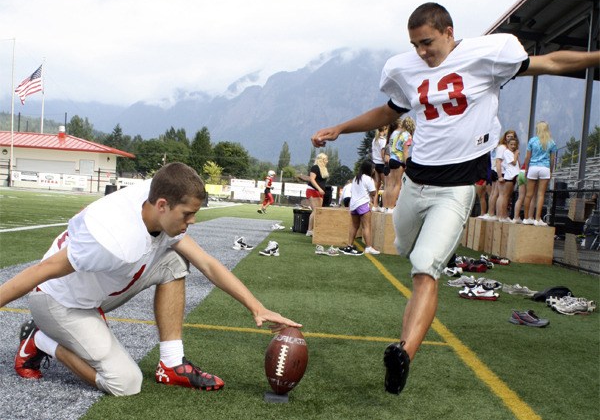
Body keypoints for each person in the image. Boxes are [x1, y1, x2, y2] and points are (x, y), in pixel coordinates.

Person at [311, 2, 599, 395]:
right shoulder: (405, 69)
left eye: (427, 42)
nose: (421, 52)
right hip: (416, 182)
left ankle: (403, 354)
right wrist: (339, 128)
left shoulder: (487, 55)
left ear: (448, 31)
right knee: (408, 252)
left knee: (425, 269)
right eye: (414, 45)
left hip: (458, 186)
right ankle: (403, 349)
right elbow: (387, 110)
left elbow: (549, 61)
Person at [0, 162, 300, 396]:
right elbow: (39, 273)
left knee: (174, 260)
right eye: (187, 214)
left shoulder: (158, 197)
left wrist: (256, 307)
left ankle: (172, 362)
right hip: (56, 302)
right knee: (125, 383)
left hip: (96, 291)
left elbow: (207, 263)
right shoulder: (113, 239)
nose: (191, 221)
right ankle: (40, 339)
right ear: (162, 205)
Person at [341, 159, 380, 256]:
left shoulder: (355, 178)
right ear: (369, 169)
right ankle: (368, 247)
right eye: (373, 168)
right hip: (363, 204)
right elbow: (374, 193)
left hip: (353, 205)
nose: (374, 170)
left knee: (354, 226)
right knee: (366, 226)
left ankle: (349, 244)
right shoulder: (369, 179)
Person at [522, 121, 558, 226]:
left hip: (533, 167)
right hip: (544, 168)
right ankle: (538, 219)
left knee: (529, 194)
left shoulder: (532, 140)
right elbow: (552, 159)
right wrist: (551, 171)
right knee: (541, 194)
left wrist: (526, 169)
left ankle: (526, 218)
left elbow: (527, 157)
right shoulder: (551, 142)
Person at [478, 130, 517, 220]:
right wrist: (500, 175)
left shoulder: (497, 147)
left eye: (512, 136)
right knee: (499, 194)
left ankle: (493, 213)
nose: (510, 138)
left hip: (495, 170)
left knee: (495, 193)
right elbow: (499, 161)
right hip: (499, 171)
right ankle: (495, 214)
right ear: (504, 137)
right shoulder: (503, 147)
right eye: (508, 136)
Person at [382, 116, 415, 213]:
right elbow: (405, 152)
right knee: (397, 184)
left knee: (388, 185)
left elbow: (390, 146)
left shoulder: (394, 133)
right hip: (399, 161)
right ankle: (392, 207)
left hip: (391, 160)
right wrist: (407, 164)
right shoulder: (408, 136)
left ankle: (386, 207)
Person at [305, 152, 329, 237]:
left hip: (320, 191)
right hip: (313, 190)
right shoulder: (315, 167)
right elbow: (312, 179)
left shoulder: (324, 169)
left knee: (318, 211)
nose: (327, 161)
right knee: (315, 210)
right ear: (321, 160)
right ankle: (309, 230)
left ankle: (315, 229)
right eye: (326, 159)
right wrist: (319, 189)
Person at [497, 137, 520, 222]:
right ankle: (503, 216)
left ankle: (504, 215)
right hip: (509, 176)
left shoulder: (511, 152)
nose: (513, 146)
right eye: (511, 144)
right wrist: (516, 154)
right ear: (507, 145)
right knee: (505, 196)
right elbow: (513, 163)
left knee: (508, 196)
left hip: (513, 176)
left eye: (515, 145)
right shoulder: (507, 152)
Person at [371, 126, 388, 212]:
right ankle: (384, 206)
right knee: (386, 185)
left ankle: (375, 205)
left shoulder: (375, 140)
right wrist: (386, 161)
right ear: (384, 129)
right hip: (381, 164)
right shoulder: (383, 140)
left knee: (376, 186)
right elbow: (382, 153)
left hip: (375, 163)